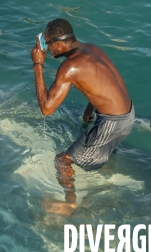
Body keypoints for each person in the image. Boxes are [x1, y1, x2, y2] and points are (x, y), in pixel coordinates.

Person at [30, 19, 134, 216]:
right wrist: (89, 111)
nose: (44, 48)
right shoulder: (93, 49)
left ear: (58, 45)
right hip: (128, 113)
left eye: (45, 43)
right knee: (99, 151)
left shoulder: (70, 67)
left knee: (62, 160)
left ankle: (70, 204)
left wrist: (37, 64)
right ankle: (106, 172)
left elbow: (46, 108)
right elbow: (101, 85)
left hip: (113, 122)